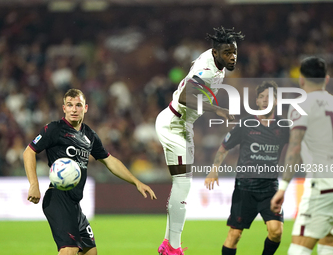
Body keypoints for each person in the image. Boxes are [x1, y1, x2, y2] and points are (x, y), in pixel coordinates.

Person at [23, 88, 156, 255]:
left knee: (90, 252)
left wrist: (136, 182)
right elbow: (29, 151)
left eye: (78, 105)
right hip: (57, 198)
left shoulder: (90, 136)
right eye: (69, 105)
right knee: (69, 250)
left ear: (85, 108)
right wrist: (34, 184)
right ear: (64, 108)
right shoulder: (54, 129)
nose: (74, 109)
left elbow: (109, 160)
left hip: (74, 204)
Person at [155, 26, 244, 255]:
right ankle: (172, 247)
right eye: (227, 53)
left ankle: (168, 244)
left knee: (183, 184)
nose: (232, 57)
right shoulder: (208, 70)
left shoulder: (214, 61)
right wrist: (218, 110)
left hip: (183, 125)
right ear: (216, 53)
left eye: (234, 52)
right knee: (183, 184)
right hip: (173, 123)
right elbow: (185, 97)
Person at [205, 81, 290, 255]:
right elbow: (224, 147)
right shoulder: (245, 124)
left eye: (270, 97)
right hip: (245, 188)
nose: (265, 100)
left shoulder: (284, 127)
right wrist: (214, 170)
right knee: (234, 235)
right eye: (262, 97)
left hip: (270, 188)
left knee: (276, 232)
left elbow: (298, 146)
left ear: (276, 101)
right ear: (257, 102)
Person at [271, 57, 333, 255]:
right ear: (326, 78)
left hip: (322, 185)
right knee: (329, 240)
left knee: (299, 247)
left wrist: (282, 188)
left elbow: (295, 147)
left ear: (301, 79)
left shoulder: (301, 105)